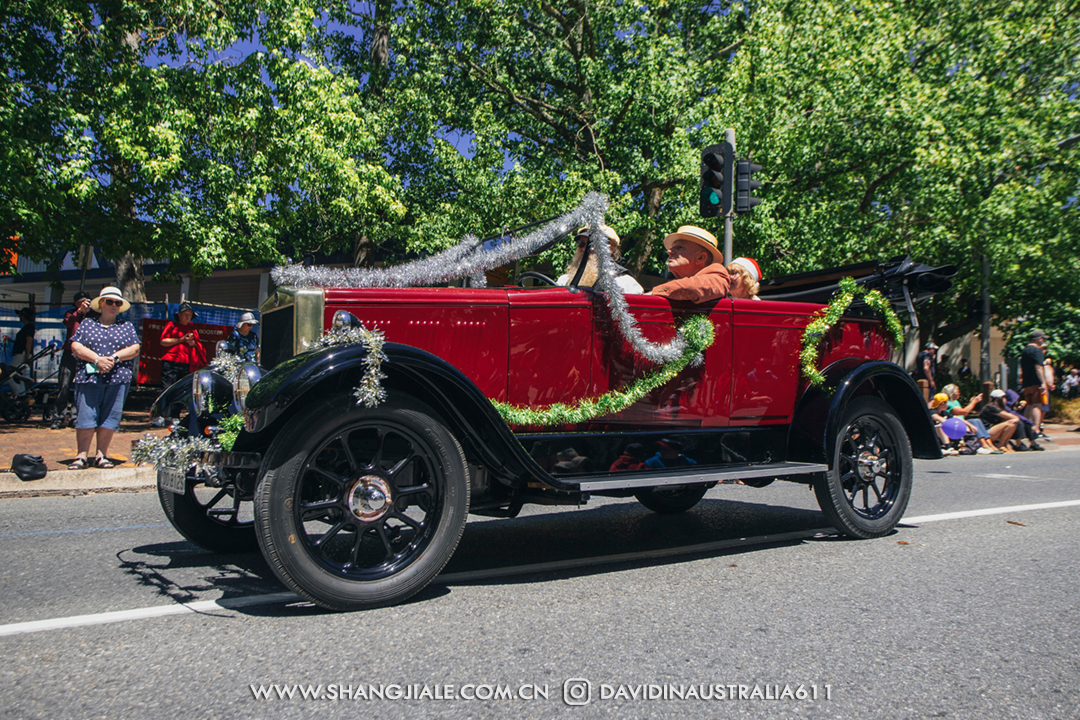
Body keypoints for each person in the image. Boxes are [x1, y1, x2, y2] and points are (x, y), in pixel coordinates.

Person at [68, 287, 141, 469]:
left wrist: (113, 358)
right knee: (86, 415)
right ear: (100, 303)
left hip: (118, 378)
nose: (113, 305)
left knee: (110, 416)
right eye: (109, 301)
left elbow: (135, 349)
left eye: (117, 303)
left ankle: (102, 455)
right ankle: (81, 456)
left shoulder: (126, 326)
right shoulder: (87, 324)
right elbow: (76, 346)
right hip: (89, 377)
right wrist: (97, 359)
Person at [647, 226, 730, 303]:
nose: (669, 251)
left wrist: (654, 292)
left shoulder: (717, 275)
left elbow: (693, 287)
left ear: (700, 258)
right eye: (672, 247)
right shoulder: (675, 284)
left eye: (680, 247)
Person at [51, 291, 96, 429]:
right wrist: (79, 312)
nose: (84, 304)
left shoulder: (94, 315)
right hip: (70, 353)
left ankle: (75, 417)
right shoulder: (71, 313)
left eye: (86, 301)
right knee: (64, 386)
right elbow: (69, 323)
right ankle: (58, 417)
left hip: (87, 354)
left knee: (81, 387)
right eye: (81, 302)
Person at [556, 225, 643, 294]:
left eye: (591, 244)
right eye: (581, 244)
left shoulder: (623, 282)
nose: (584, 249)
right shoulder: (565, 280)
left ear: (609, 249)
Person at [159, 301, 205, 388]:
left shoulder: (192, 329)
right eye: (185, 314)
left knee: (182, 389)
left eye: (189, 314)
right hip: (171, 363)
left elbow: (199, 345)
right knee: (167, 388)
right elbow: (163, 342)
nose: (187, 316)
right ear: (179, 315)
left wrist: (194, 344)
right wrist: (181, 339)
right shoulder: (171, 325)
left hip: (187, 364)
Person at [1020, 329, 1052, 434]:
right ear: (1039, 339)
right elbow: (1038, 367)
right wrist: (1042, 382)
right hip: (1035, 382)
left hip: (1026, 382)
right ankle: (1036, 429)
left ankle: (1024, 428)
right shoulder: (1036, 351)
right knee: (1037, 405)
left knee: (1028, 404)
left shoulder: (1024, 350)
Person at [4, 307, 35, 396]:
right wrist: (10, 340)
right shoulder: (26, 327)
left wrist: (27, 358)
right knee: (19, 376)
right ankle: (22, 395)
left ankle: (18, 394)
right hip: (21, 353)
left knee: (10, 374)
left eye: (20, 315)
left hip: (22, 354)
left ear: (24, 316)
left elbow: (28, 342)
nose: (19, 317)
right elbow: (22, 341)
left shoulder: (29, 327)